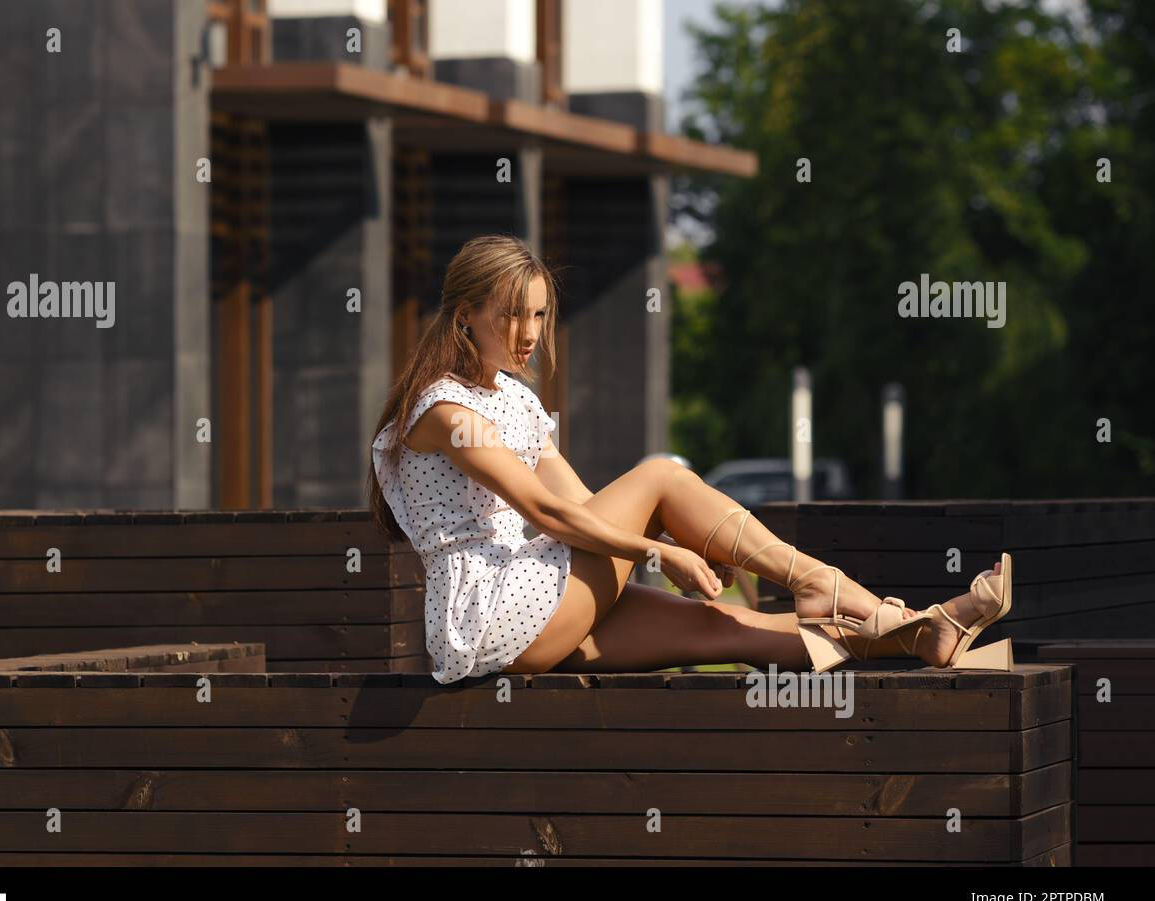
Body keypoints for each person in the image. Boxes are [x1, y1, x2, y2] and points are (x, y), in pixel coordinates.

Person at [368, 235, 1012, 684]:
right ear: (464, 316)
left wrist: (649, 537)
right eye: (513, 315)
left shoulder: (515, 400)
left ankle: (916, 634)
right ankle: (821, 582)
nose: (531, 333)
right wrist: (659, 551)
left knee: (721, 627)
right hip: (496, 610)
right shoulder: (444, 411)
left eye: (539, 314)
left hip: (540, 607)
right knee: (659, 474)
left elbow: (579, 505)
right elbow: (545, 512)